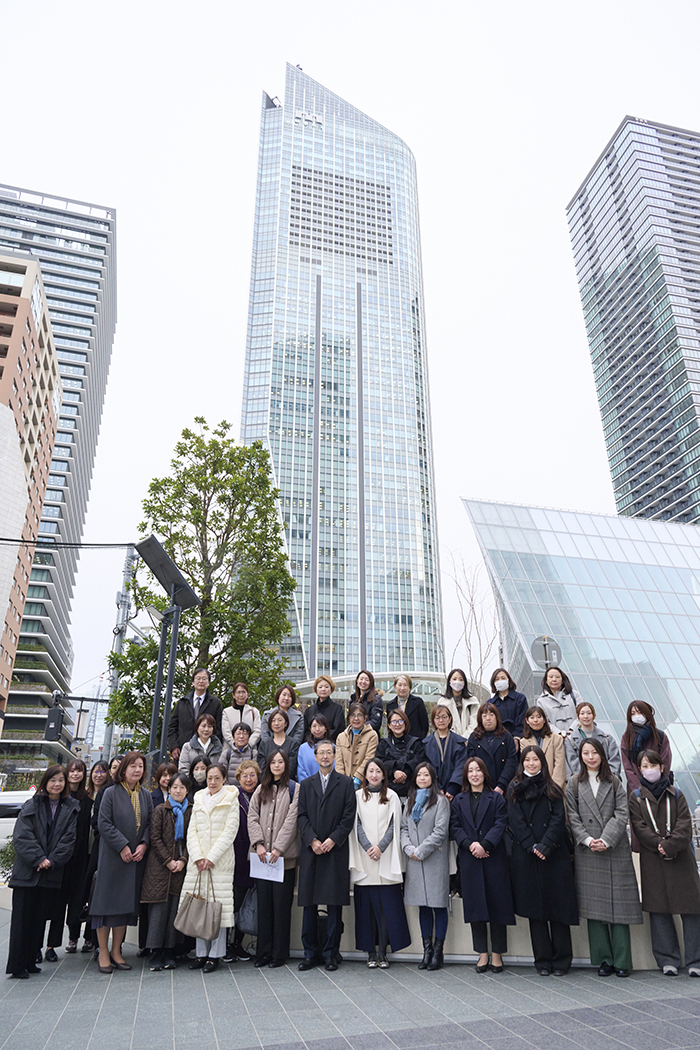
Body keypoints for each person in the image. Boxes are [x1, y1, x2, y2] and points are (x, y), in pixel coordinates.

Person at [566, 739, 642, 978]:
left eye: (594, 752)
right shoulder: (573, 784)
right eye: (585, 753)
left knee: (620, 908)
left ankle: (622, 960)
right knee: (595, 909)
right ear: (580, 757)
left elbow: (622, 813)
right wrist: (588, 841)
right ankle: (604, 960)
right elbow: (571, 816)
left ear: (602, 755)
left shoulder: (615, 781)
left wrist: (606, 839)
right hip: (588, 850)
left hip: (614, 848)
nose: (590, 757)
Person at [507, 745, 578, 975]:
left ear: (542, 762)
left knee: (558, 910)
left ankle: (562, 960)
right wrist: (531, 845)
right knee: (536, 913)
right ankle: (543, 961)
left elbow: (559, 819)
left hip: (553, 854)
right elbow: (515, 821)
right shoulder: (514, 788)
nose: (531, 763)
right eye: (527, 760)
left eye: (535, 759)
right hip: (528, 855)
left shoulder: (553, 788)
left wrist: (546, 845)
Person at [628, 749, 700, 976]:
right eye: (644, 766)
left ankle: (695, 960)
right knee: (659, 909)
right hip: (653, 859)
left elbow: (684, 825)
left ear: (662, 767)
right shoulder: (637, 796)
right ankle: (667, 959)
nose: (649, 769)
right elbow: (638, 826)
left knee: (690, 908)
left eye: (653, 765)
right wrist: (657, 843)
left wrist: (669, 845)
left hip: (680, 859)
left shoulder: (676, 793)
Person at [6, 766, 79, 979]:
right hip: (27, 873)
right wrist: (39, 858)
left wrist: (52, 861)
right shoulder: (32, 804)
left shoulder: (70, 808)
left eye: (61, 780)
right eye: (53, 780)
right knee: (21, 920)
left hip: (50, 873)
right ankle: (17, 965)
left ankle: (30, 962)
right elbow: (22, 836)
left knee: (38, 920)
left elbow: (68, 839)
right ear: (45, 782)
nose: (57, 784)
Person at [90, 751, 153, 974]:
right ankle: (104, 952)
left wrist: (144, 843)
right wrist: (123, 845)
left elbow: (149, 824)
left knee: (124, 909)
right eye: (133, 766)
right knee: (105, 907)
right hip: (113, 858)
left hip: (135, 859)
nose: (137, 770)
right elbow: (103, 823)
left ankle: (117, 951)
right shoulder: (110, 793)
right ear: (123, 769)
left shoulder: (145, 795)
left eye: (141, 766)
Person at [297, 740, 357, 971]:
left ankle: (331, 953)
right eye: (320, 753)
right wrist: (312, 840)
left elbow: (348, 816)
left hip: (335, 850)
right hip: (312, 850)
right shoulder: (306, 784)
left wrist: (333, 839)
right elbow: (301, 816)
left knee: (333, 905)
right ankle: (310, 953)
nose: (324, 756)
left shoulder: (345, 783)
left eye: (328, 752)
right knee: (309, 904)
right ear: (314, 756)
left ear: (334, 755)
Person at [450, 757, 514, 973]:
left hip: (493, 858)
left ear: (484, 773)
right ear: (466, 775)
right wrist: (470, 845)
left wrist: (485, 844)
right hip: (470, 860)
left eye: (478, 770)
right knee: (476, 908)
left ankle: (497, 954)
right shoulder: (458, 800)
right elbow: (455, 826)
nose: (474, 774)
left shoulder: (496, 798)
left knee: (498, 907)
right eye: (470, 771)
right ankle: (482, 954)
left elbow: (500, 823)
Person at [349, 759, 409, 968]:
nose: (374, 775)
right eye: (370, 771)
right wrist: (367, 847)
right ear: (365, 775)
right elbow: (355, 824)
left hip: (385, 858)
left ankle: (383, 952)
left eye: (378, 771)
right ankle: (370, 953)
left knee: (385, 911)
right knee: (366, 911)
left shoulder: (391, 796)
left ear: (384, 775)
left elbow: (395, 824)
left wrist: (381, 847)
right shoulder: (357, 796)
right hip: (365, 859)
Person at [183, 763, 239, 973]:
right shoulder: (198, 797)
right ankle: (200, 954)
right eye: (209, 778)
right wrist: (197, 856)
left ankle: (215, 955)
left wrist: (211, 857)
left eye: (217, 778)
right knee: (199, 908)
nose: (213, 782)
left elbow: (230, 830)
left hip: (219, 862)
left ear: (224, 779)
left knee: (218, 910)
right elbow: (192, 830)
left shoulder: (231, 798)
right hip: (198, 863)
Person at [247, 749, 300, 968]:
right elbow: (252, 817)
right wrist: (258, 844)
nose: (277, 765)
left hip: (283, 859)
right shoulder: (261, 789)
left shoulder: (295, 788)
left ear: (286, 765)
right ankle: (263, 952)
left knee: (281, 907)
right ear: (268, 765)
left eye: (281, 761)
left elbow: (292, 820)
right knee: (264, 906)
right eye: (273, 762)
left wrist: (278, 848)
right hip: (261, 859)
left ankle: (279, 954)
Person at [400, 762, 450, 970]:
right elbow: (403, 828)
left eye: (426, 775)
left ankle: (438, 952)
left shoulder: (440, 801)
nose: (422, 778)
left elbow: (441, 831)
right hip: (414, 860)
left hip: (434, 859)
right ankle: (426, 950)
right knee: (422, 907)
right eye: (419, 775)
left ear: (432, 778)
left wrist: (422, 849)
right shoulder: (410, 802)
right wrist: (409, 848)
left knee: (438, 906)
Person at [141, 772, 192, 971]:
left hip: (180, 868)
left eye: (182, 787)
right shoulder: (160, 810)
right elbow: (155, 838)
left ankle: (170, 950)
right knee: (158, 911)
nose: (178, 791)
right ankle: (155, 951)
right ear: (169, 789)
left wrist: (183, 859)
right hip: (159, 868)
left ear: (187, 790)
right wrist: (168, 860)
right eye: (174, 787)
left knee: (174, 911)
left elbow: (192, 838)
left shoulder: (191, 812)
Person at [43, 758, 92, 959]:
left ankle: (73, 937)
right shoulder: (58, 799)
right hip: (60, 859)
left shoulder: (88, 801)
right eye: (72, 771)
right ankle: (50, 946)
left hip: (80, 858)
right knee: (56, 903)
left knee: (77, 900)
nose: (75, 774)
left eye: (79, 771)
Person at [224, 760, 261, 962]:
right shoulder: (232, 797)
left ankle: (238, 943)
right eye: (245, 775)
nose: (249, 779)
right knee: (234, 902)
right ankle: (228, 944)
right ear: (238, 778)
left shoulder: (262, 795)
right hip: (236, 854)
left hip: (255, 854)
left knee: (248, 901)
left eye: (252, 775)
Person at [168, 669, 223, 761]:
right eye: (198, 678)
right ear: (193, 682)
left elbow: (219, 728)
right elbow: (172, 727)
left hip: (207, 751)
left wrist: (214, 748)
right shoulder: (182, 702)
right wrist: (174, 746)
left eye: (204, 678)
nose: (201, 681)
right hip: (183, 750)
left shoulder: (215, 703)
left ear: (208, 683)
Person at [621, 701, 672, 796]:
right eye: (633, 713)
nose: (637, 716)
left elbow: (666, 762)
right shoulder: (627, 737)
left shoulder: (659, 735)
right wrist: (639, 788)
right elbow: (627, 767)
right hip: (637, 791)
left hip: (661, 788)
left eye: (640, 712)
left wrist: (659, 784)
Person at [466, 703, 517, 795]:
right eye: (484, 716)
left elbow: (511, 762)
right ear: (480, 719)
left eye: (491, 715)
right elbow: (470, 762)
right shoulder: (474, 738)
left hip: (504, 787)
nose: (488, 718)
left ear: (497, 717)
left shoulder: (506, 736)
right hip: (481, 787)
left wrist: (501, 785)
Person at [376, 709, 425, 799]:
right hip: (388, 791)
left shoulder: (416, 743)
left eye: (401, 721)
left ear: (405, 723)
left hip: (411, 791)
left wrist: (405, 773)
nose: (397, 724)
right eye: (394, 722)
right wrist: (394, 772)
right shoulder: (383, 744)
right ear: (389, 725)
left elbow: (419, 760)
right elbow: (380, 762)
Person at [564, 702, 622, 779]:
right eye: (582, 713)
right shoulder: (570, 740)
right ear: (578, 716)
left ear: (594, 715)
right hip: (583, 781)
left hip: (606, 780)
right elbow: (573, 763)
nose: (586, 716)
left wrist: (604, 777)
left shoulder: (607, 738)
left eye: (589, 713)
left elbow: (614, 762)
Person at [423, 705, 466, 800]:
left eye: (444, 717)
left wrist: (452, 789)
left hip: (456, 792)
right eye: (437, 718)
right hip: (434, 791)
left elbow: (460, 766)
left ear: (450, 719)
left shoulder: (460, 742)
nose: (441, 720)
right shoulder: (426, 744)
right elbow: (429, 767)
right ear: (433, 720)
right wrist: (438, 788)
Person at [521, 706, 566, 789]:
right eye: (532, 717)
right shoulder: (524, 742)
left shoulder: (556, 738)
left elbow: (560, 764)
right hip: (533, 788)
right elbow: (526, 765)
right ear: (527, 721)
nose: (535, 720)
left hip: (554, 786)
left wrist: (554, 787)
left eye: (539, 717)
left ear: (544, 720)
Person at [335, 703, 378, 787]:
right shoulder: (341, 737)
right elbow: (339, 762)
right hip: (344, 784)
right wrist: (342, 780)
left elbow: (369, 758)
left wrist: (358, 777)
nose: (356, 718)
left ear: (365, 718)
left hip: (364, 783)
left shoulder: (372, 735)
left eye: (360, 715)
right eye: (352, 715)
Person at [534, 667, 580, 737]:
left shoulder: (574, 695)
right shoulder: (541, 701)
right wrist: (559, 733)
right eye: (551, 677)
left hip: (576, 735)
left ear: (562, 680)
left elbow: (582, 713)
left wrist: (572, 729)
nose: (554, 679)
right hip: (555, 738)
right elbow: (544, 721)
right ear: (546, 681)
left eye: (557, 677)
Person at [257, 708, 300, 778]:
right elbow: (261, 766)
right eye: (273, 721)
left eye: (280, 720)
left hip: (287, 784)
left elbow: (291, 767)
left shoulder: (293, 743)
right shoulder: (265, 743)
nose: (276, 723)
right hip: (267, 784)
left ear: (286, 723)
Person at [386, 674, 429, 742]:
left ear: (409, 688)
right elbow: (390, 725)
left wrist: (420, 741)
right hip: (396, 743)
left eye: (405, 685)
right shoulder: (390, 705)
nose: (402, 688)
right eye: (399, 685)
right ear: (395, 687)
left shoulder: (418, 702)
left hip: (414, 742)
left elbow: (424, 725)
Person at [489, 669, 528, 742]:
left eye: (503, 678)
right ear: (493, 683)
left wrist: (517, 737)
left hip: (519, 739)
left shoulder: (520, 698)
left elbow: (522, 718)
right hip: (497, 740)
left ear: (508, 680)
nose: (500, 681)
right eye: (497, 679)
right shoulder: (490, 703)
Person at [303, 675, 345, 741]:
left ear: (331, 689)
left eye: (326, 687)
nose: (323, 689)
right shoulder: (309, 710)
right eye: (320, 687)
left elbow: (338, 730)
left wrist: (323, 741)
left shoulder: (337, 709)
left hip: (330, 745)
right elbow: (306, 731)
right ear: (316, 690)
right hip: (312, 745)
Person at [222, 681, 262, 749]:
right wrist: (235, 744)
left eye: (243, 692)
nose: (241, 695)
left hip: (250, 749)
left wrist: (249, 744)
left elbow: (257, 731)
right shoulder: (226, 712)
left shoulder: (254, 712)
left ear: (247, 695)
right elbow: (226, 732)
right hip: (230, 749)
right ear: (233, 695)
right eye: (238, 692)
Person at [441, 667, 478, 737]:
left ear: (464, 682)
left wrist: (465, 738)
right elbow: (443, 723)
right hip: (451, 741)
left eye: (461, 679)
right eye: (454, 679)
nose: (457, 681)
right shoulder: (443, 702)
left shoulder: (473, 701)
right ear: (449, 682)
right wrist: (457, 739)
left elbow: (474, 723)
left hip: (470, 740)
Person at [297, 716, 332, 781]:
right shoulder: (303, 748)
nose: (317, 729)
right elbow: (301, 772)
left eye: (320, 726)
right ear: (310, 729)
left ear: (326, 729)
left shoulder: (333, 747)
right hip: (308, 787)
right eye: (314, 726)